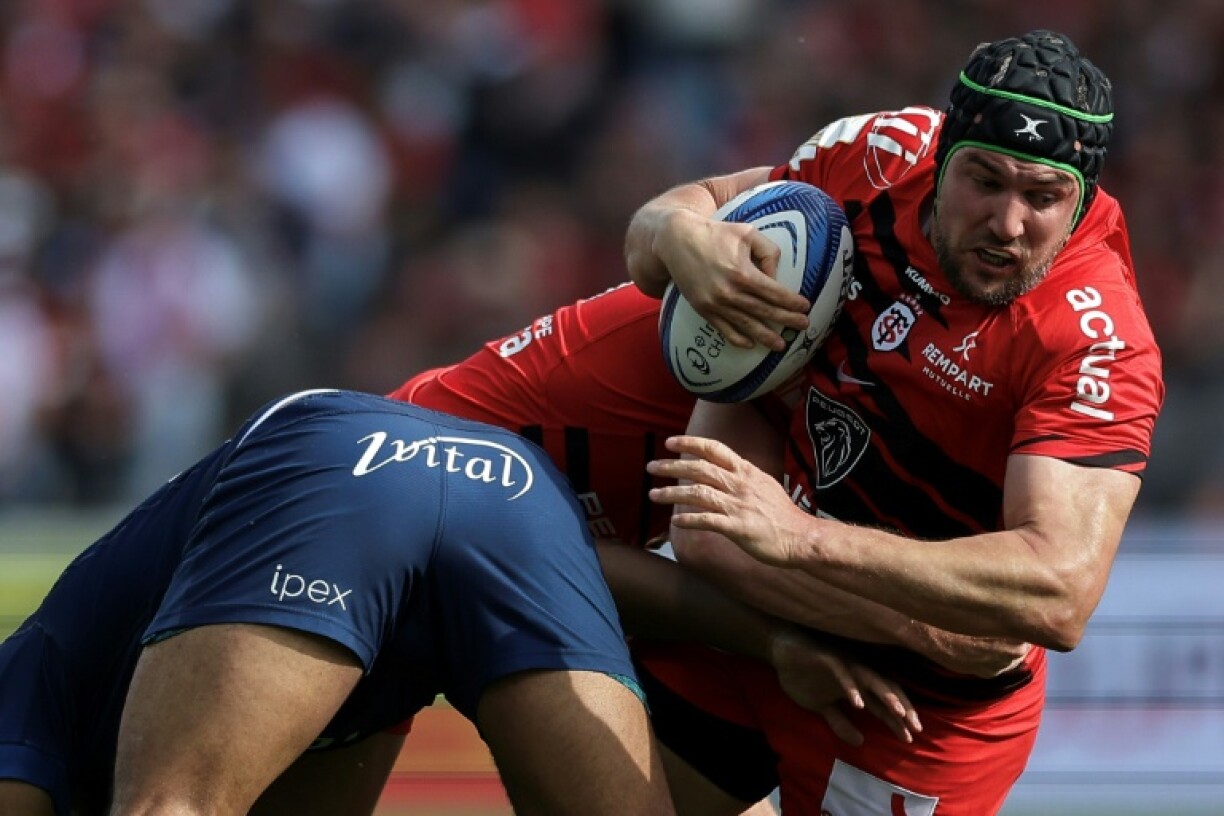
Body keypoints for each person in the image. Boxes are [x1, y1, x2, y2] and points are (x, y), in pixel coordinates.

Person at [625, 29, 1164, 815]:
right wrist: (678, 234)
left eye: (1042, 197)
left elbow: (1060, 592)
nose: (1008, 225)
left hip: (916, 710)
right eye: (985, 181)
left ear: (1079, 202)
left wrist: (801, 538)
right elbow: (686, 216)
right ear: (942, 158)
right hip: (751, 618)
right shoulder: (878, 155)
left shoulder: (1095, 335)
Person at [0, 388, 917, 816]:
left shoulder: (23, 709)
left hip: (332, 459)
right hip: (512, 486)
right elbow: (579, 567)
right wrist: (770, 641)